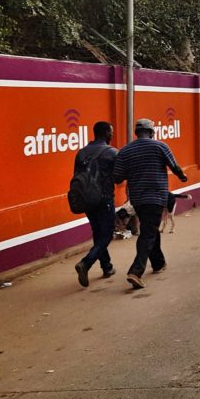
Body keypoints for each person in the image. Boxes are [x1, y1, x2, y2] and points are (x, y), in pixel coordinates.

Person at [112, 118, 188, 290]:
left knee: (150, 228)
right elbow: (174, 166)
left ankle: (158, 263)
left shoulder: (125, 151)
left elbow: (117, 178)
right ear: (152, 132)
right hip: (156, 197)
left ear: (136, 133)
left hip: (137, 199)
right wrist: (182, 176)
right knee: (148, 233)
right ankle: (135, 271)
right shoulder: (160, 146)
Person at [72, 121, 118, 288]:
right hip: (105, 199)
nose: (112, 135)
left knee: (98, 233)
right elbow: (119, 177)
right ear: (106, 133)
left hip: (87, 200)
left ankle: (107, 267)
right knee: (107, 235)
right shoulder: (112, 153)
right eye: (111, 132)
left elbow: (76, 176)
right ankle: (86, 263)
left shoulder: (81, 153)